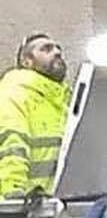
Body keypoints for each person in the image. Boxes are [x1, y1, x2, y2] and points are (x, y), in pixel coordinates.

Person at [0, 33, 70, 200]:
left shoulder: (64, 100)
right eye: (46, 49)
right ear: (27, 62)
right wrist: (13, 193)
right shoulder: (13, 93)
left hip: (52, 203)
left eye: (58, 48)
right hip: (24, 207)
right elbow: (12, 145)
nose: (57, 52)